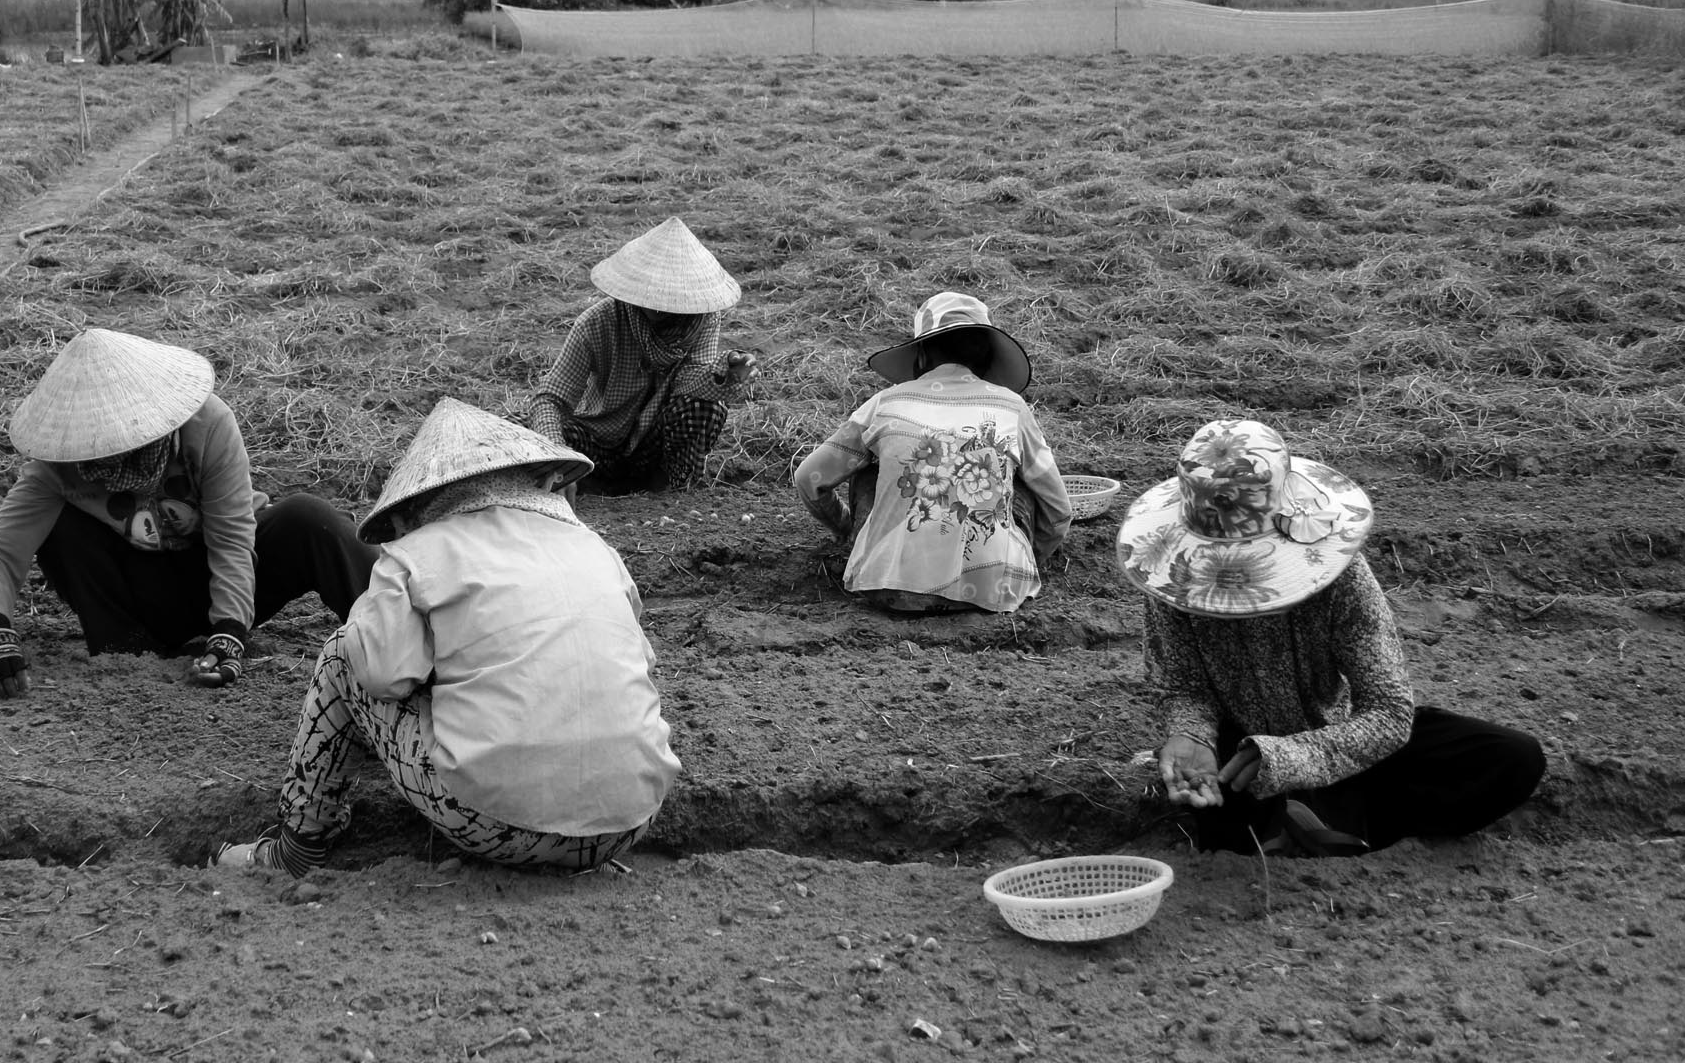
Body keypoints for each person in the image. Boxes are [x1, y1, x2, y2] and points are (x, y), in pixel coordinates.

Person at [214, 397, 680, 877]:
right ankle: (581, 835)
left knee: (342, 655)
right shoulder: (594, 548)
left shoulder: (415, 555)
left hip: (494, 824)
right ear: (531, 479)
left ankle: (299, 844)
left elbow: (380, 677)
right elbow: (641, 662)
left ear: (420, 501)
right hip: (630, 819)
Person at [1120, 418, 1545, 856]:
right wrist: (1191, 736)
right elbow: (1184, 686)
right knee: (1219, 808)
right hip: (1238, 754)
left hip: (1341, 738)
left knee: (1512, 758)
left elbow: (1388, 711)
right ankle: (1329, 824)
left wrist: (1290, 758)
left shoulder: (1342, 578)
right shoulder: (1172, 582)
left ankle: (1315, 820)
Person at [0, 327, 379, 695]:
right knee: (60, 528)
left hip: (230, 574)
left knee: (309, 518)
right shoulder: (56, 467)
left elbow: (232, 538)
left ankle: (392, 629)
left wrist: (230, 631)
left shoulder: (208, 425)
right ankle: (126, 655)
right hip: (139, 597)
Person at [793, 292, 1071, 614]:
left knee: (871, 468)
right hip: (994, 591)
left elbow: (809, 478)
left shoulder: (886, 404)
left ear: (921, 355)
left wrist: (845, 528)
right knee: (1014, 476)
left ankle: (887, 557)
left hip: (887, 587)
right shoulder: (1011, 407)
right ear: (986, 359)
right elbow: (1059, 509)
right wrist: (1028, 558)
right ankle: (996, 561)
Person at [528, 216, 757, 494]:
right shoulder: (597, 323)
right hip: (599, 442)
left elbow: (688, 381)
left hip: (655, 449)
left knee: (705, 408)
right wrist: (559, 462)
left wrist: (725, 375)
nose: (665, 311)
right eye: (656, 302)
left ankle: (666, 491)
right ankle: (588, 482)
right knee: (524, 430)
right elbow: (552, 399)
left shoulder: (702, 320)